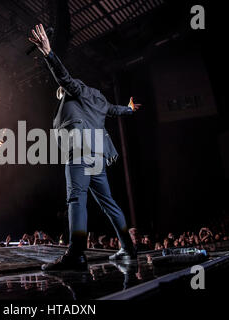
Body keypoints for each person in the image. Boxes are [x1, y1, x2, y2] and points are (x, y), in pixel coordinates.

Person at [28, 24, 141, 271]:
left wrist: (48, 52)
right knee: (108, 201)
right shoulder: (99, 99)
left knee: (76, 197)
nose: (61, 94)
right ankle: (128, 248)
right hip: (97, 155)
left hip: (80, 149)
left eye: (61, 92)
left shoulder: (76, 90)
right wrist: (130, 109)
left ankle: (76, 254)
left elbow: (64, 77)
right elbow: (115, 110)